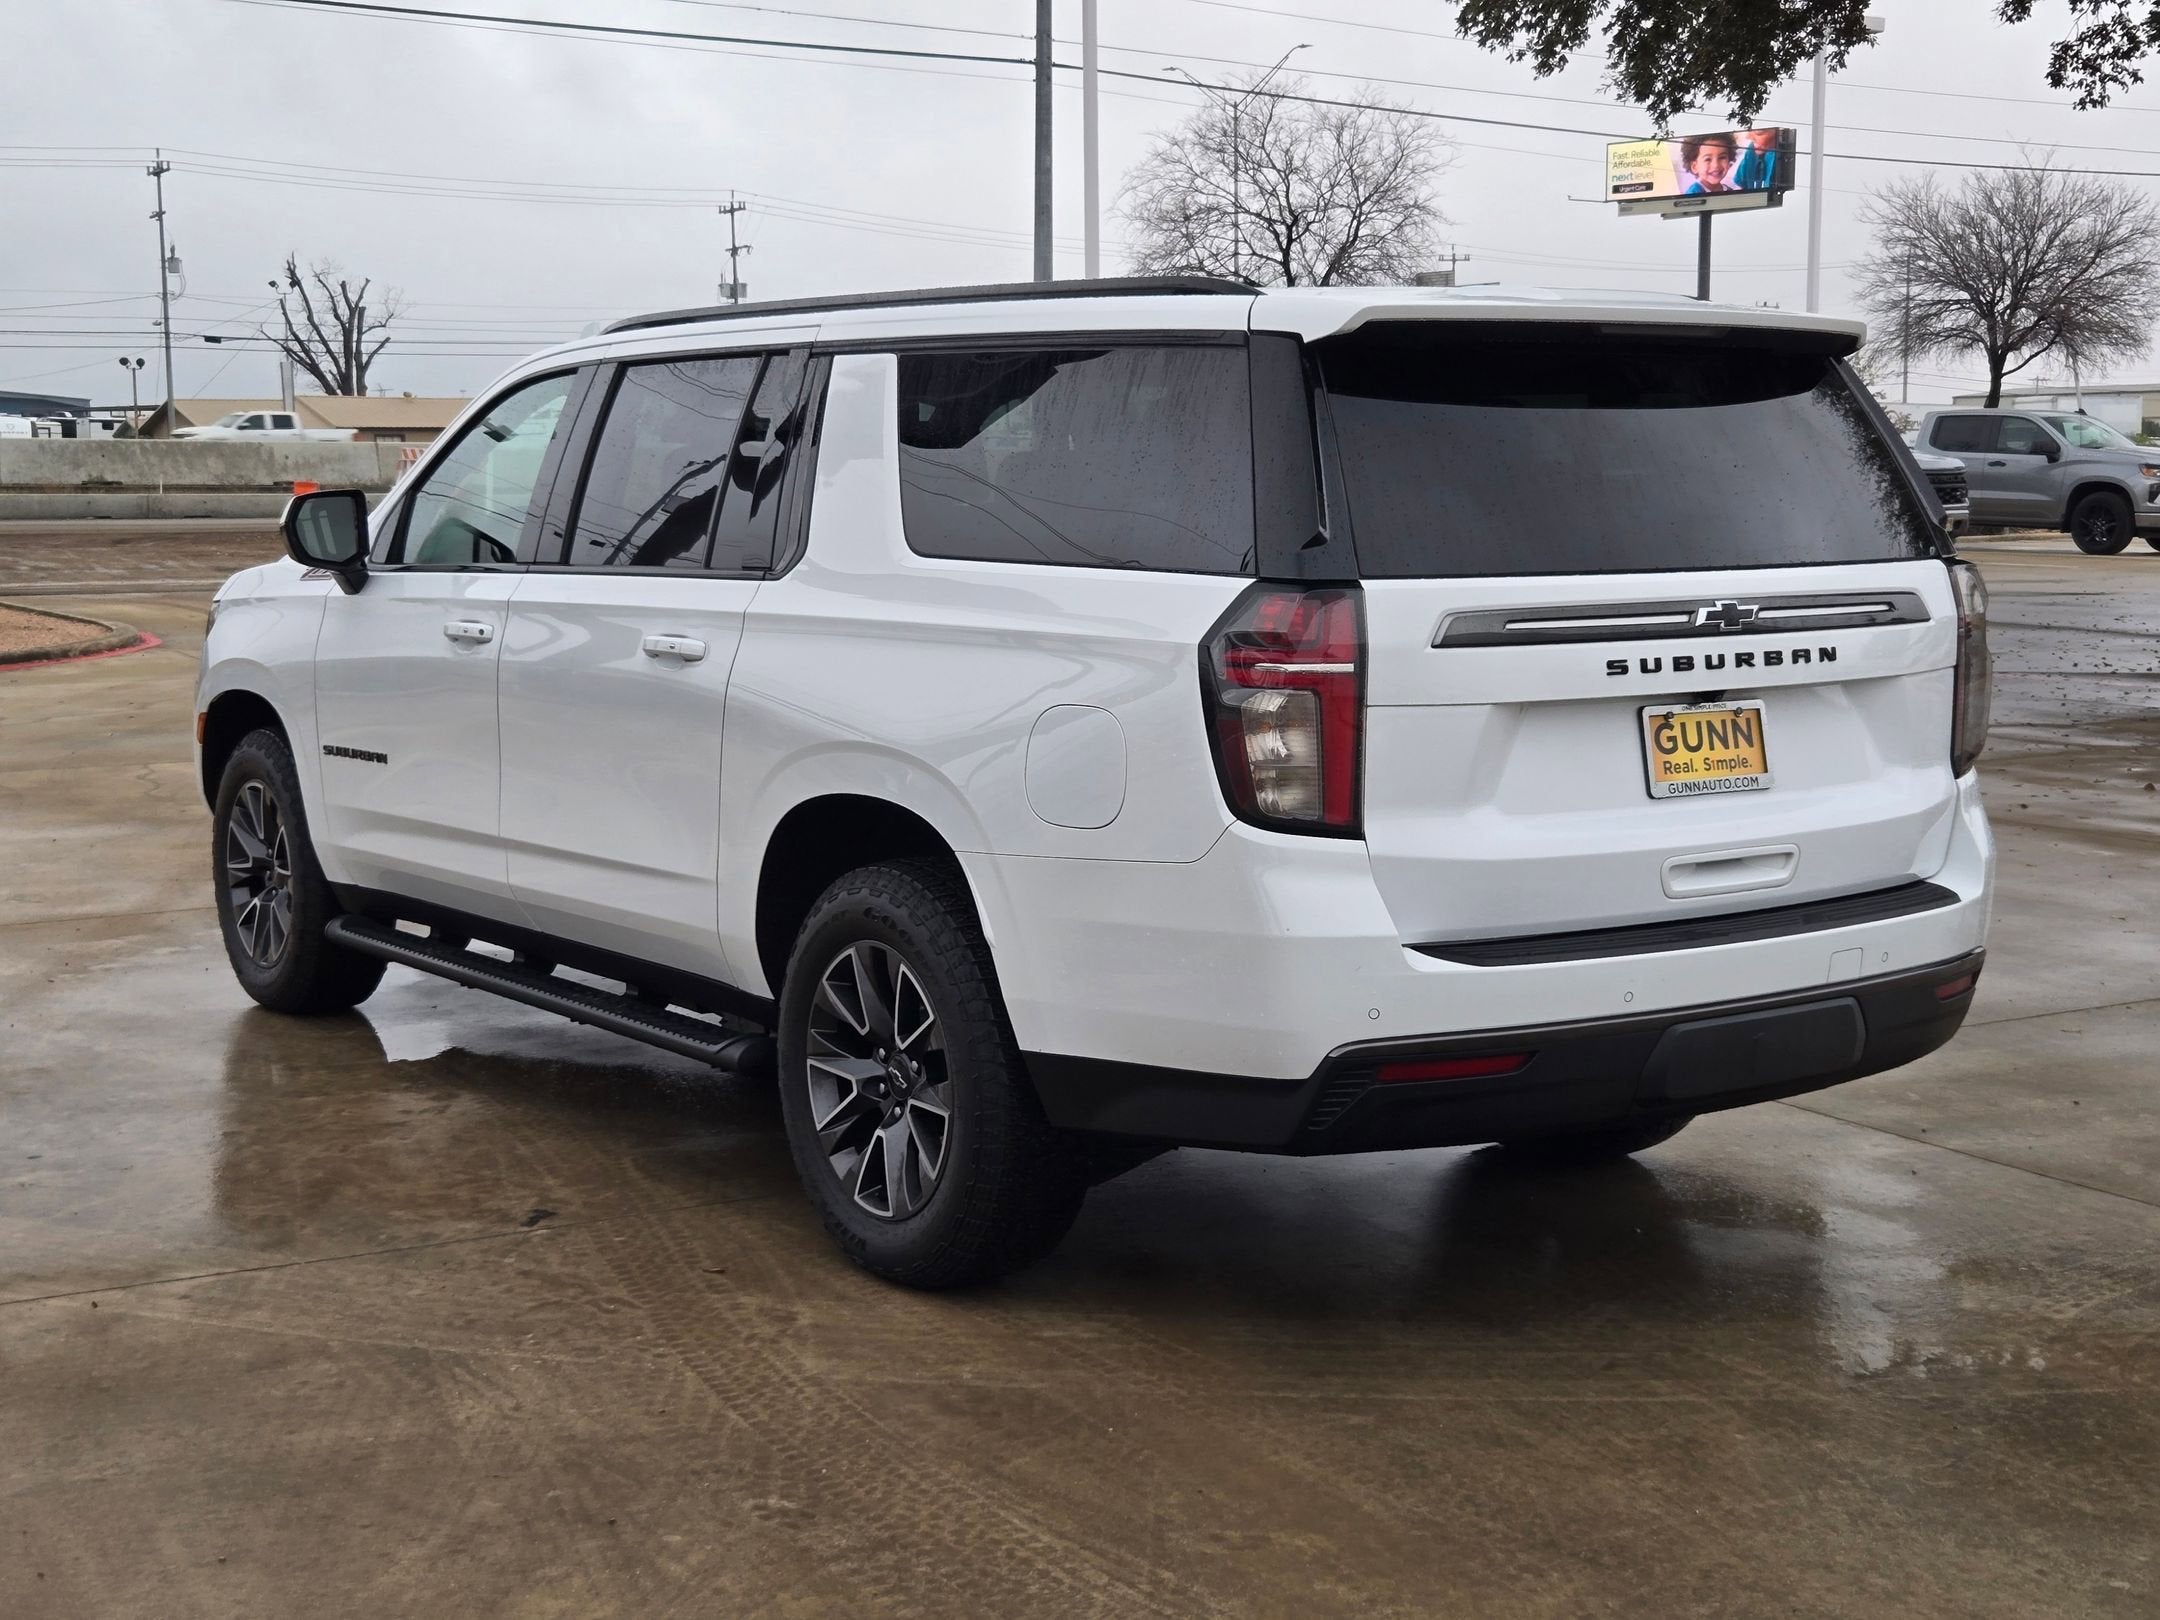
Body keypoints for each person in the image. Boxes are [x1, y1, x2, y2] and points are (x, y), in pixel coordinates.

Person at [1733, 128, 1780, 192]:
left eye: (1758, 131)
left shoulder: (1782, 159)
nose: (1748, 137)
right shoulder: (1752, 149)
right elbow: (1741, 186)